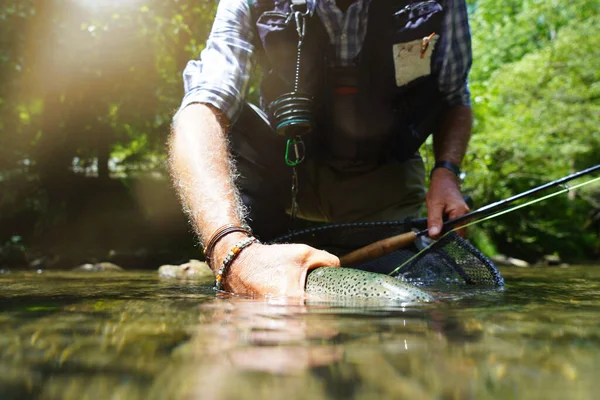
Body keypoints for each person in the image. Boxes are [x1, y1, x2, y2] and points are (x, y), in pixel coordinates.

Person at [169, 0, 473, 296]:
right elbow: (201, 107)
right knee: (221, 120)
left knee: (400, 292)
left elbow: (454, 96)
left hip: (384, 189)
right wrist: (229, 248)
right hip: (288, 178)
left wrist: (447, 173)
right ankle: (252, 256)